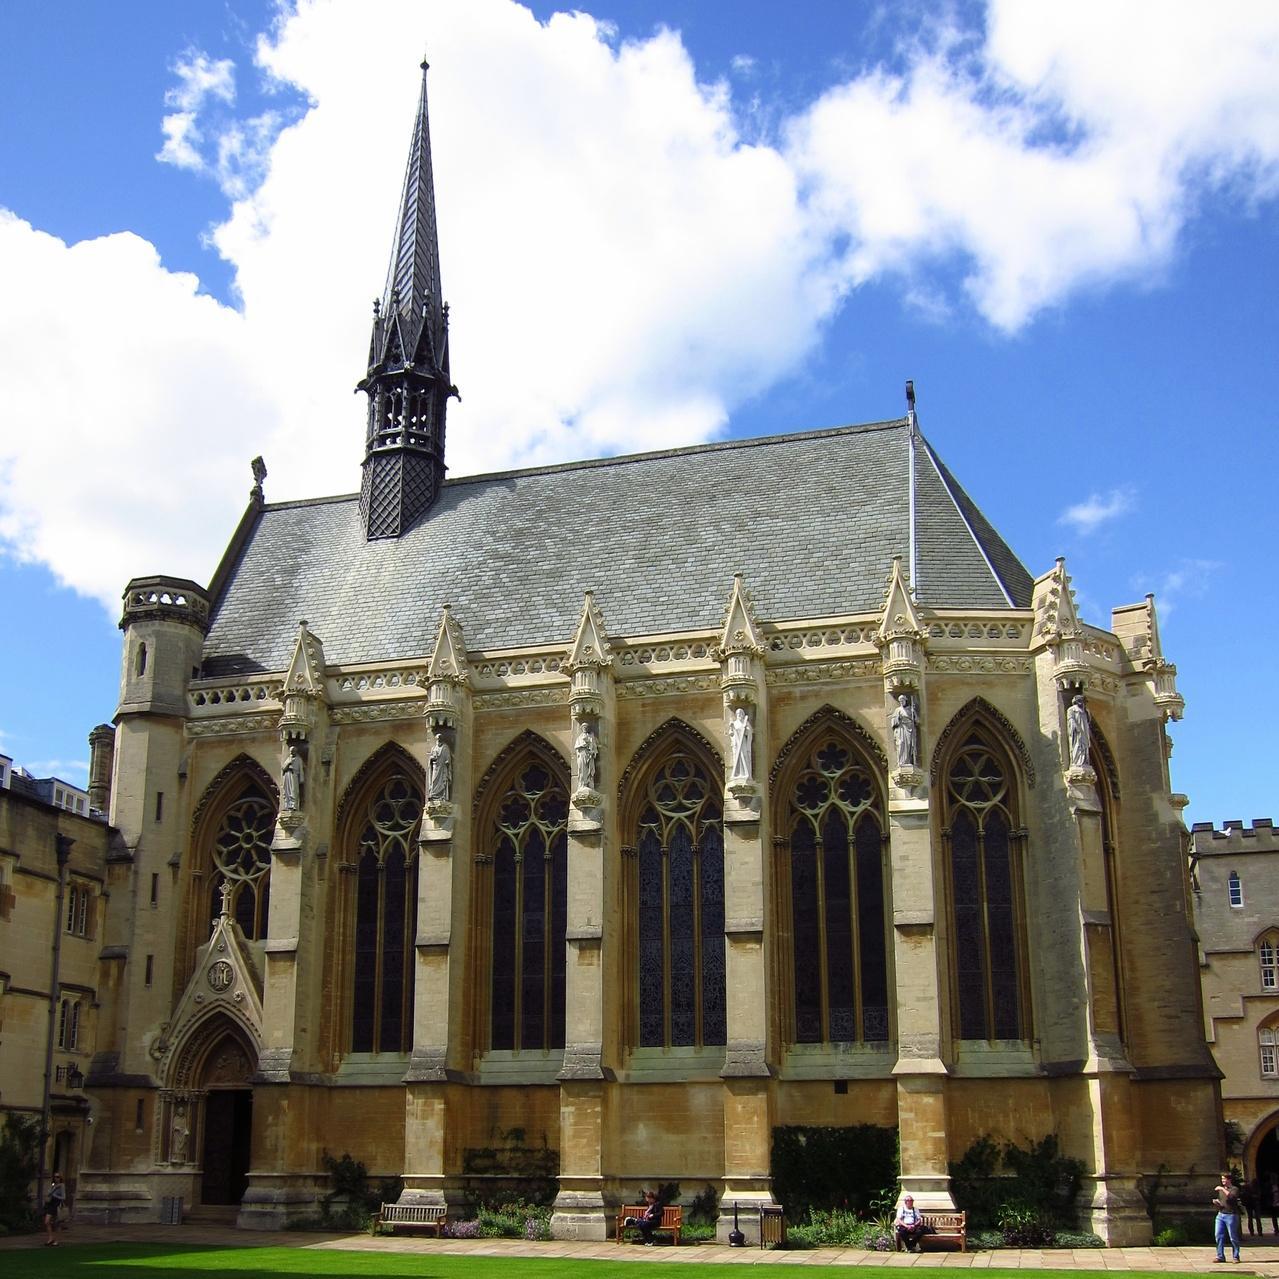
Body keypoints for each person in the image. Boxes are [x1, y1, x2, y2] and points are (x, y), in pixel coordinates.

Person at [1213, 1170, 1242, 1262]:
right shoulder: (1221, 1191)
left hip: (1231, 1215)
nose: (1223, 1181)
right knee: (1218, 1235)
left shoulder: (1234, 1189)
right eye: (1222, 1179)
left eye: (1224, 1179)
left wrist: (1222, 1189)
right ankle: (1220, 1256)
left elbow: (1231, 1197)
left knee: (1233, 1237)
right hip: (1221, 1214)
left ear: (1229, 1180)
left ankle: (1236, 1256)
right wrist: (1217, 1203)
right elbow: (1222, 1201)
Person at [890, 694, 919, 768]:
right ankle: (901, 762)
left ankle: (908, 761)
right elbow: (893, 721)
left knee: (909, 744)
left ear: (905, 700)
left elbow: (917, 720)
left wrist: (913, 714)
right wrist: (898, 719)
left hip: (910, 728)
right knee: (901, 743)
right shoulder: (898, 710)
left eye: (903, 700)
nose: (901, 702)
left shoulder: (911, 709)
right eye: (900, 701)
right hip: (901, 728)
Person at [42, 1173, 66, 1246]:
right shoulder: (53, 1185)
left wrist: (54, 1195)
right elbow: (49, 1194)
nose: (56, 1178)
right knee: (47, 1221)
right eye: (55, 1177)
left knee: (57, 1223)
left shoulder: (62, 1186)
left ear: (60, 1178)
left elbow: (63, 1197)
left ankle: (56, 1240)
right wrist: (53, 1189)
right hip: (51, 1204)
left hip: (57, 1205)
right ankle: (50, 1238)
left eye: (58, 1177)